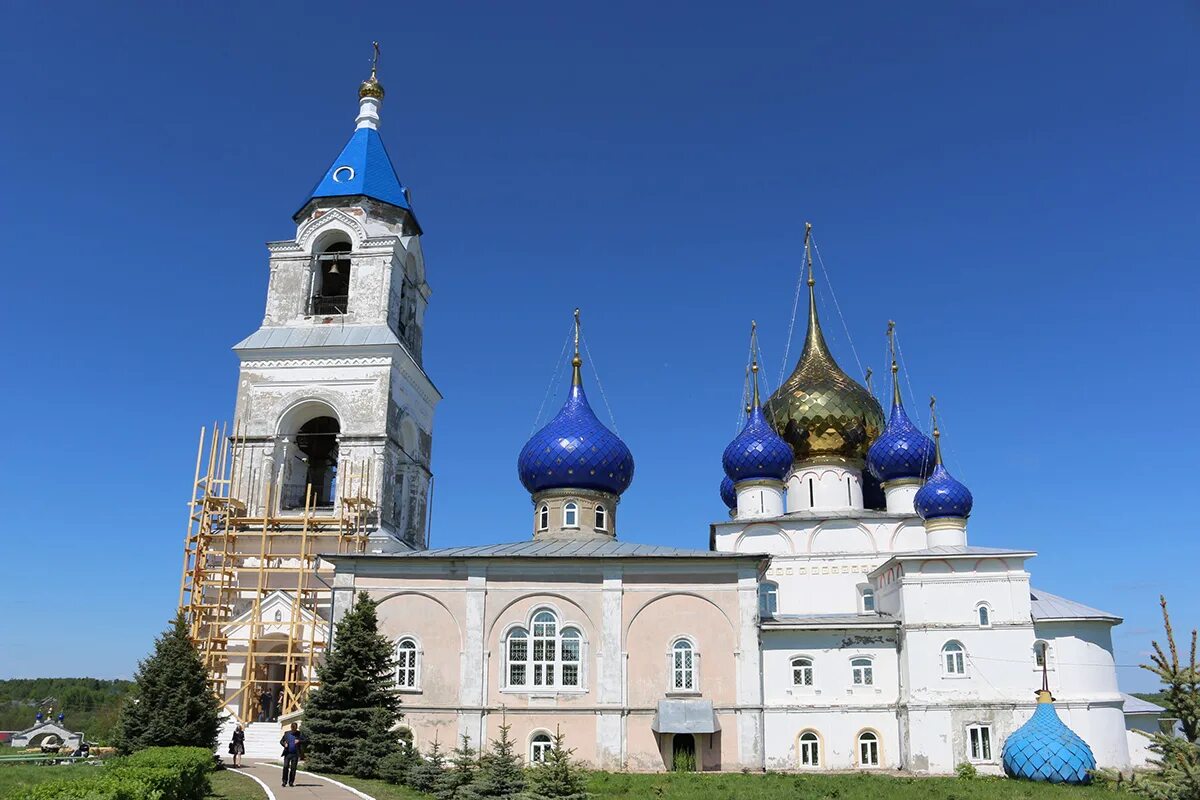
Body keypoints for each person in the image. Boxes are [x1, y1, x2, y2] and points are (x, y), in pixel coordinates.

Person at [280, 722, 302, 788]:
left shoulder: (299, 733)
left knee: (293, 769)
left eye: (295, 730)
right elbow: (281, 741)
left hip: (295, 754)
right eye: (293, 730)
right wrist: (284, 744)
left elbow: (306, 740)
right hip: (287, 753)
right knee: (285, 767)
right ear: (291, 728)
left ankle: (291, 782)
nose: (294, 731)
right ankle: (284, 782)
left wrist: (299, 741)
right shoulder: (287, 733)